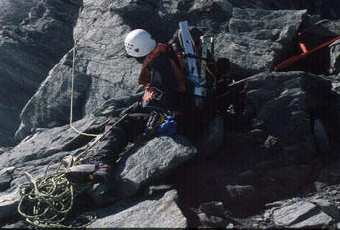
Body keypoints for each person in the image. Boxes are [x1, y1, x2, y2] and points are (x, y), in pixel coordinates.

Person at [65, 28, 227, 184]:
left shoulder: (159, 67)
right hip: (195, 112)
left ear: (137, 53)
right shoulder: (168, 53)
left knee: (119, 124)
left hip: (182, 121)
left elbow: (159, 102)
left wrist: (134, 109)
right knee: (126, 116)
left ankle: (102, 164)